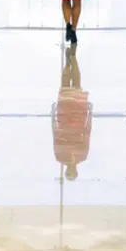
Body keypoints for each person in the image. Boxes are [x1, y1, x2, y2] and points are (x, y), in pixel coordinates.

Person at [52, 46, 91, 180]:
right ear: (76, 172)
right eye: (72, 174)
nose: (70, 171)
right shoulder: (82, 156)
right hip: (78, 118)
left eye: (68, 174)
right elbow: (87, 133)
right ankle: (73, 58)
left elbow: (55, 134)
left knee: (64, 86)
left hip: (64, 118)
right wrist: (90, 114)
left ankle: (69, 62)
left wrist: (52, 116)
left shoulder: (59, 157)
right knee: (76, 85)